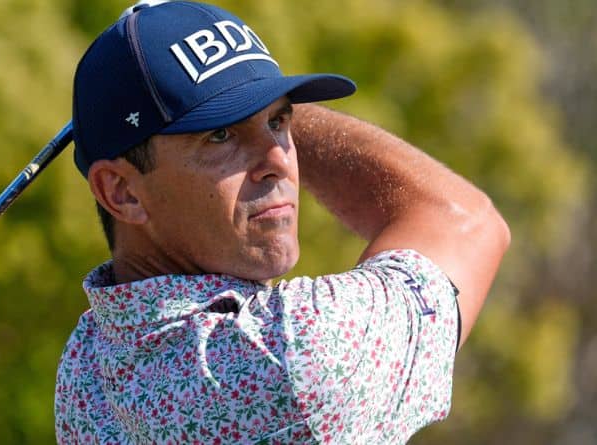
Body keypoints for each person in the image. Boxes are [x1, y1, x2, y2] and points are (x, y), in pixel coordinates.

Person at [55, 1, 510, 444]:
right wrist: (259, 97)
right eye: (220, 135)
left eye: (279, 121)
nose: (281, 161)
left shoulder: (84, 371)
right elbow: (464, 221)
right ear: (122, 191)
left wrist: (230, 92)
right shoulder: (292, 352)